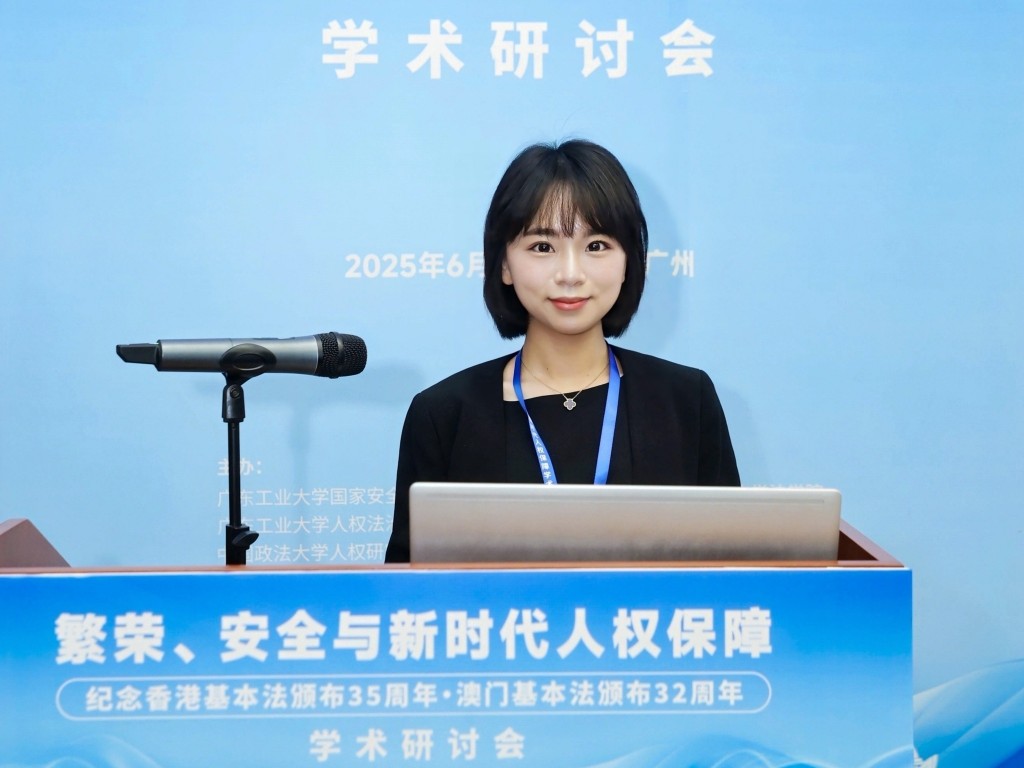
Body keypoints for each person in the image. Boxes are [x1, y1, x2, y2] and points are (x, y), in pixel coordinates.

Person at [385, 139, 739, 563]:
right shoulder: (443, 415)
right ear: (504, 264)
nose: (570, 274)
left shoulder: (686, 400)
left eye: (596, 246)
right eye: (542, 247)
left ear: (630, 261)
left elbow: (733, 572)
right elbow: (408, 583)